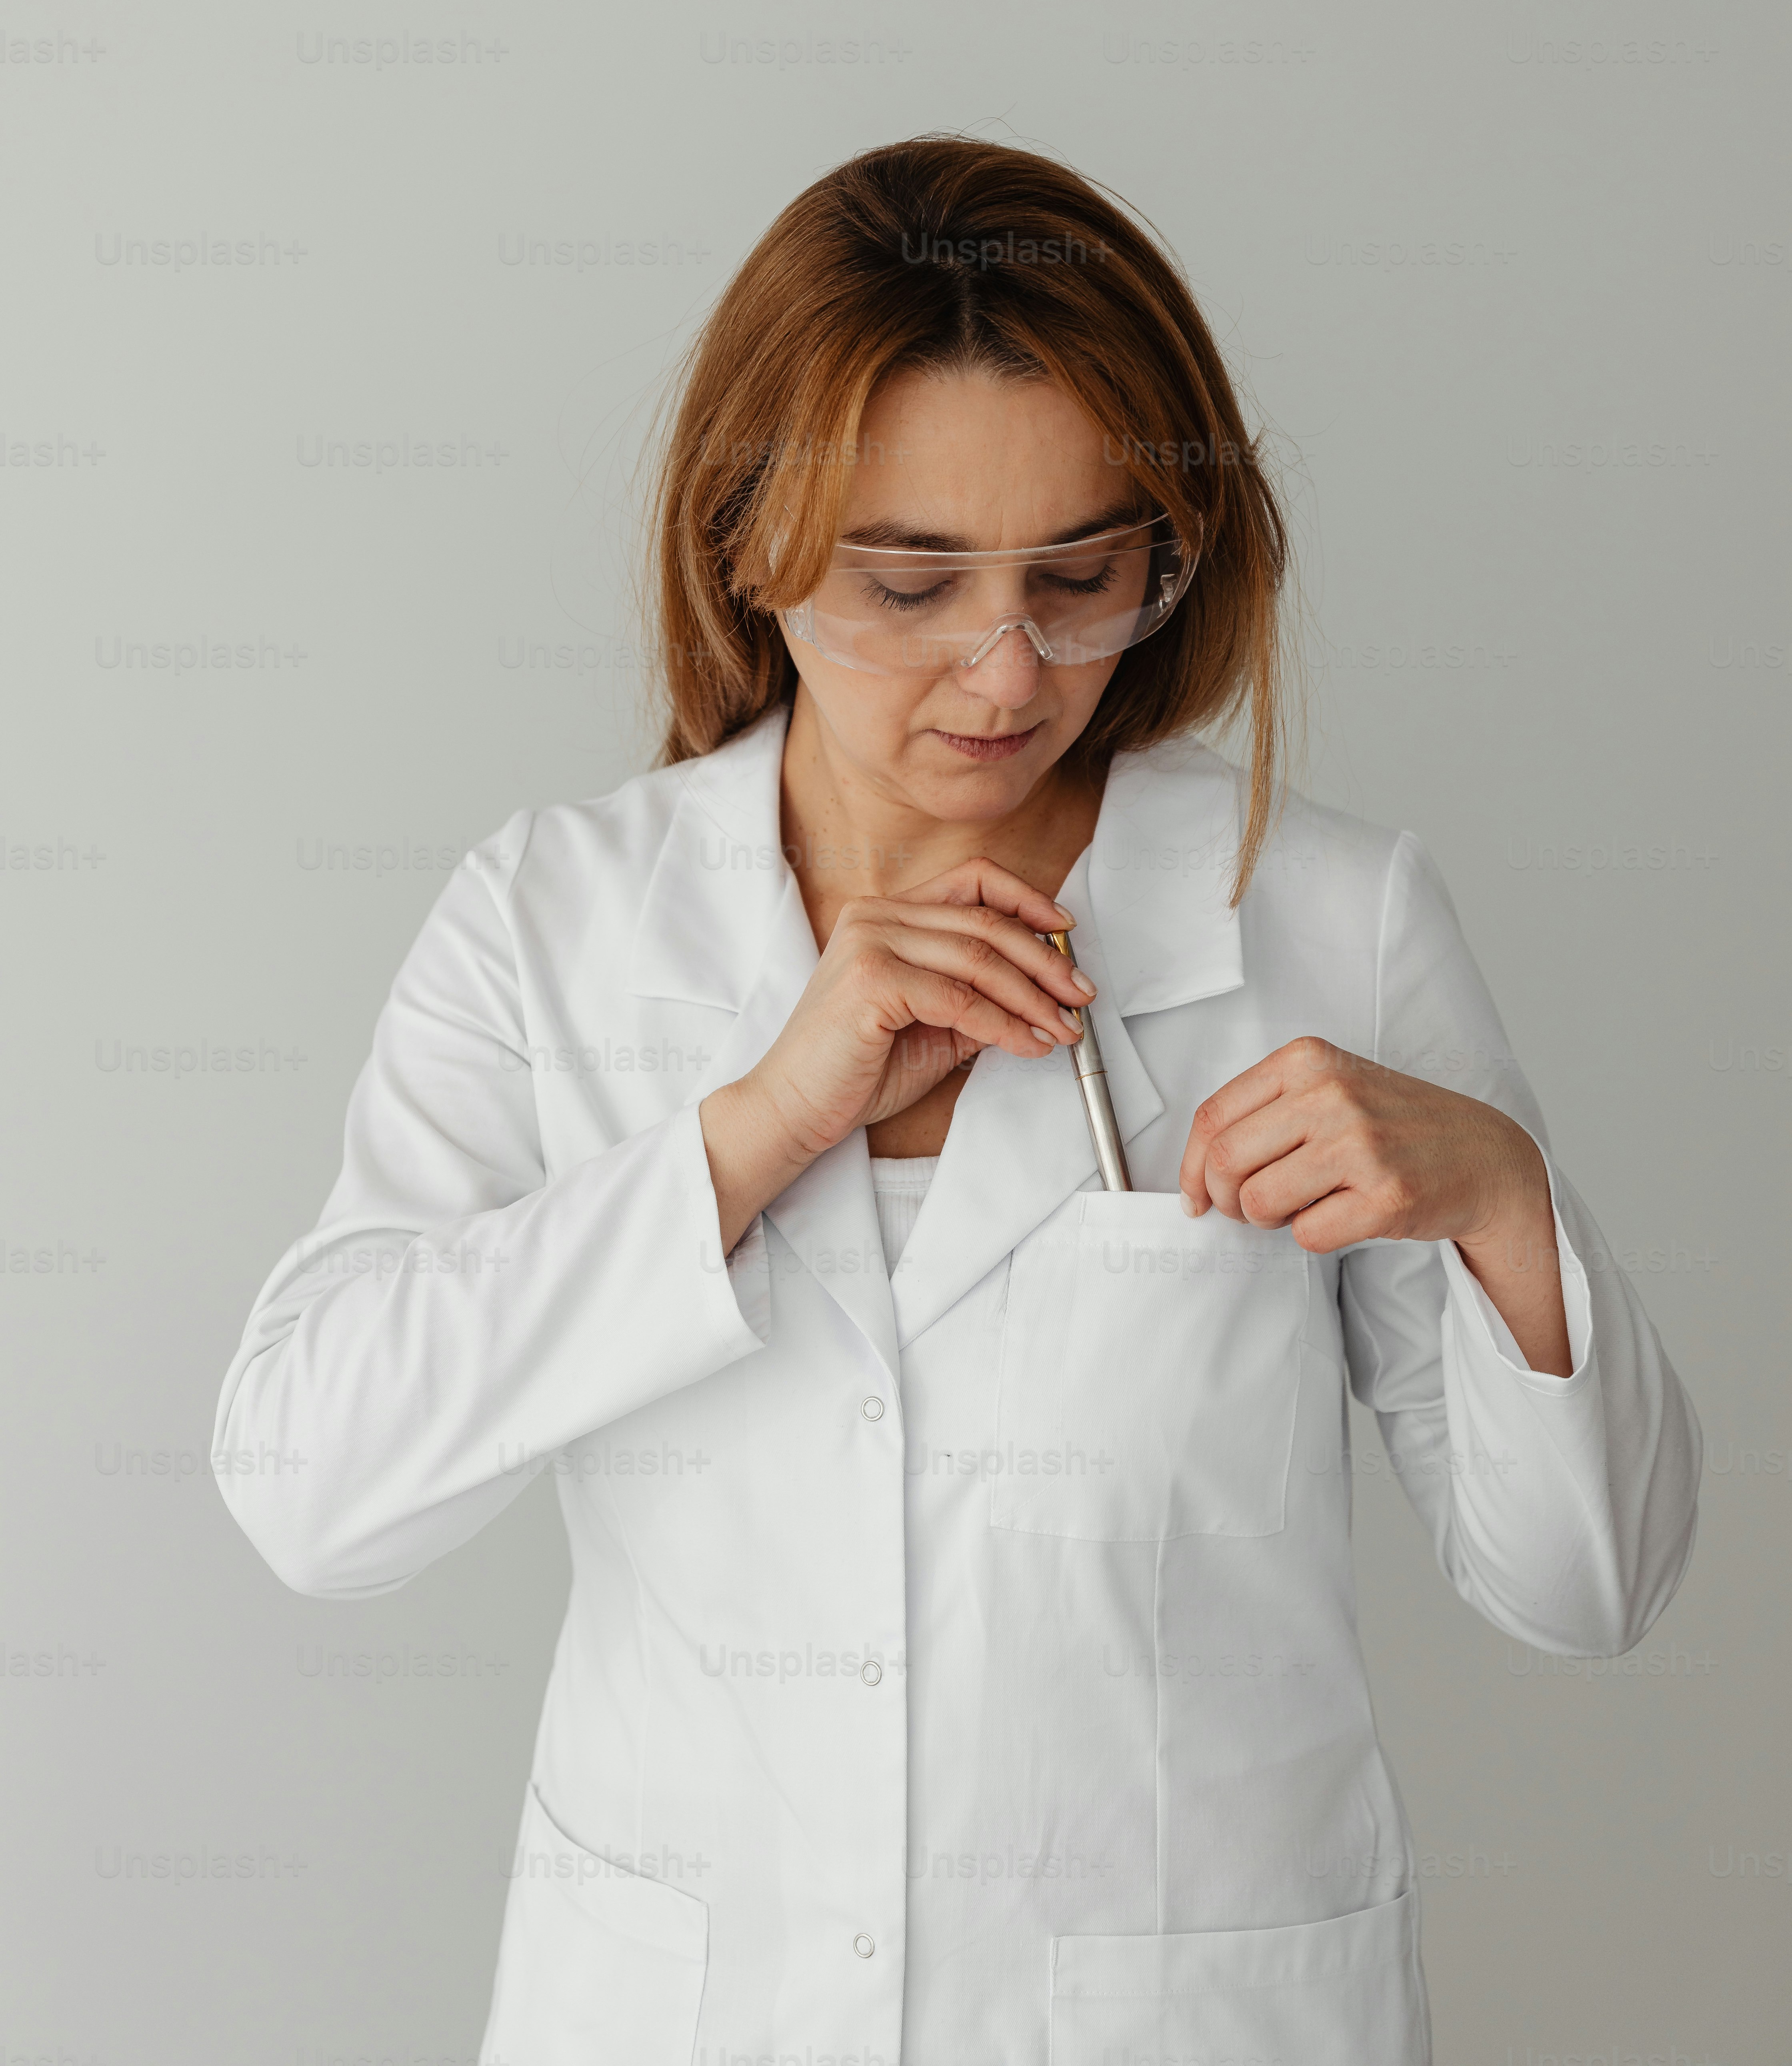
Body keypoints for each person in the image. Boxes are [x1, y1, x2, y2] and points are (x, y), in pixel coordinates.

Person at [214, 136, 1701, 2066]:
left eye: (1080, 578)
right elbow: (311, 1488)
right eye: (910, 584)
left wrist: (1502, 1203)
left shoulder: (1325, 922)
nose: (1007, 675)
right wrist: (752, 1130)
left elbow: (1589, 1587)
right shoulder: (555, 924)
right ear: (749, 540)